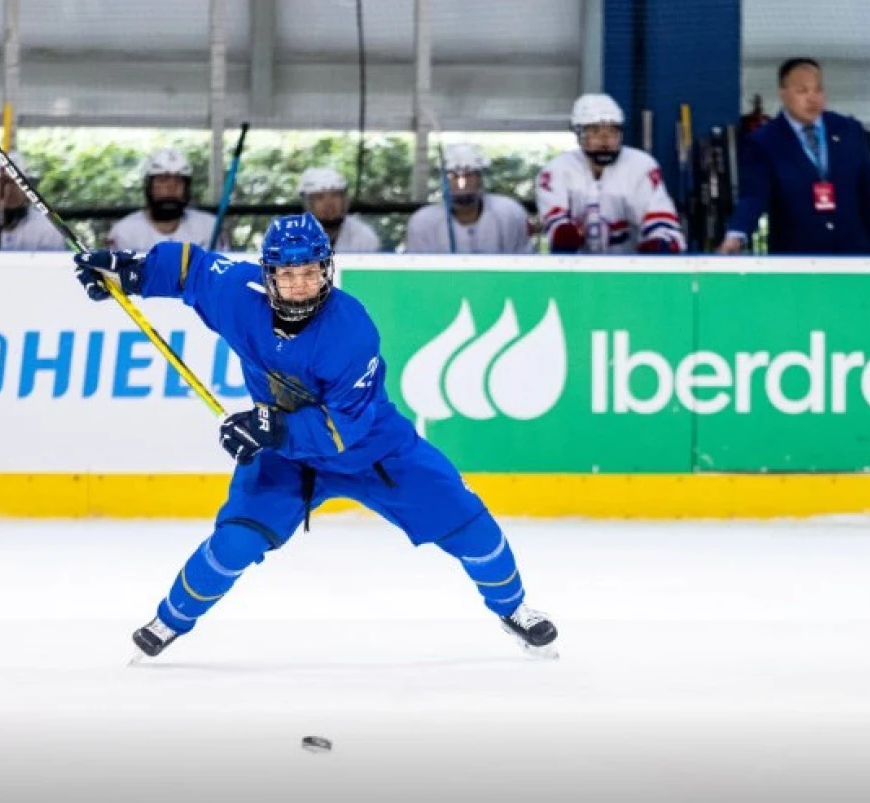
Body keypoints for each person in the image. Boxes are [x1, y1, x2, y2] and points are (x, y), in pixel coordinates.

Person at [72, 213, 558, 659]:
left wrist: (270, 426)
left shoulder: (350, 330)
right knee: (235, 542)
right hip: (285, 456)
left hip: (375, 451)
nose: (301, 285)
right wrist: (129, 271)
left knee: (471, 526)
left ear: (327, 270)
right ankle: (168, 621)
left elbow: (346, 424)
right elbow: (192, 270)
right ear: (269, 276)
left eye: (311, 272)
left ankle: (513, 608)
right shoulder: (239, 296)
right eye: (288, 274)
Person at [719, 58, 870, 256]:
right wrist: (736, 234)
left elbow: (869, 199)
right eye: (802, 91)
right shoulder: (764, 142)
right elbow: (753, 196)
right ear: (783, 93)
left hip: (854, 257)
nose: (812, 98)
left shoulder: (849, 131)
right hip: (796, 260)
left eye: (818, 90)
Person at [536, 93, 685, 254]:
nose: (605, 139)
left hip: (630, 267)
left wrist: (661, 241)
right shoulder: (557, 169)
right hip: (575, 268)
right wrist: (562, 233)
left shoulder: (641, 165)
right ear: (578, 133)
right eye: (594, 130)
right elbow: (556, 226)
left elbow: (660, 218)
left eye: (612, 131)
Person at [405, 143, 532, 254]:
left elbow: (522, 263)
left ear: (480, 178)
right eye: (453, 176)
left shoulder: (510, 213)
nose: (462, 183)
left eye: (469, 174)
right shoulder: (422, 222)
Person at [107, 147, 223, 251]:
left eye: (179, 181)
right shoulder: (124, 232)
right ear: (148, 186)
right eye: (163, 180)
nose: (171, 187)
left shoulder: (209, 228)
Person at [298, 166, 381, 252]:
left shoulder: (364, 236)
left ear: (344, 200)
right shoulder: (291, 238)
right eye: (319, 197)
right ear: (308, 204)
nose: (329, 203)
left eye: (335, 196)